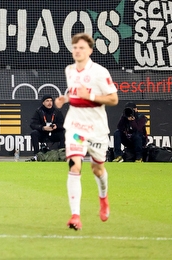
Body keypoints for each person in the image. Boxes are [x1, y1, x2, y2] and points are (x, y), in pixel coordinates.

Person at [55, 32, 118, 231]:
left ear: (90, 50)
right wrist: (64, 99)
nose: (77, 50)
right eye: (74, 47)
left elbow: (113, 99)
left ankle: (103, 198)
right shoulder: (69, 70)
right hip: (75, 126)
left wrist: (90, 94)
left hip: (97, 129)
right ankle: (75, 216)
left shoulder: (100, 72)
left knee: (97, 170)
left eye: (81, 47)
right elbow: (73, 92)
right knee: (75, 166)